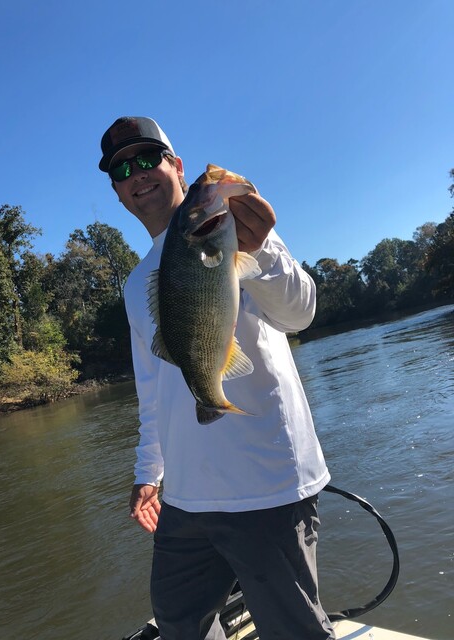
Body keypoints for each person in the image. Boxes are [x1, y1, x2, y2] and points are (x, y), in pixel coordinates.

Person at [99, 116, 334, 640]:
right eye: (121, 169)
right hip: (186, 498)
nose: (137, 174)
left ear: (176, 166)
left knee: (294, 630)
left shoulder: (234, 231)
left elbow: (301, 314)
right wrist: (148, 473)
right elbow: (153, 390)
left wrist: (264, 247)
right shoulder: (137, 283)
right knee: (181, 621)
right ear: (118, 193)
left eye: (147, 159)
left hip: (265, 488)